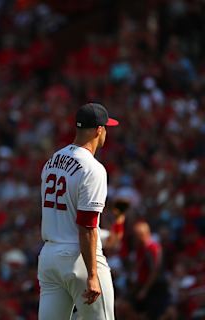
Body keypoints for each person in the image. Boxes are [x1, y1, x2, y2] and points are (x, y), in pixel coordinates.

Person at [37, 103, 119, 320]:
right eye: (106, 128)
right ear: (99, 130)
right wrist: (92, 274)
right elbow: (87, 225)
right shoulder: (93, 169)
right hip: (78, 257)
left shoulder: (52, 161)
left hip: (49, 257)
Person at [132, 220, 169, 320]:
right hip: (143, 285)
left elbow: (155, 271)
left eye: (137, 235)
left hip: (154, 288)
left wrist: (145, 290)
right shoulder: (140, 249)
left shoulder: (153, 248)